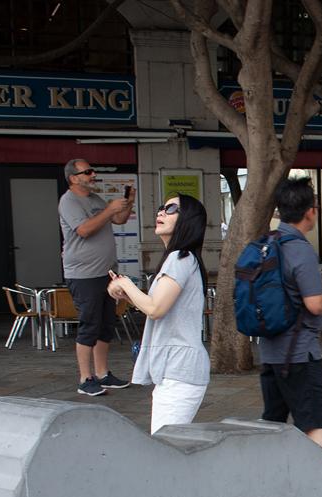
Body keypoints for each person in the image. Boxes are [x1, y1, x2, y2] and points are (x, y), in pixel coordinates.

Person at [107, 195, 209, 434]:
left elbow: (155, 309)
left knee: (165, 447)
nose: (161, 212)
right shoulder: (179, 259)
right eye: (162, 208)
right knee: (168, 446)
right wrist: (128, 295)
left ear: (188, 220)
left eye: (171, 208)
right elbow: (159, 306)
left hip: (180, 371)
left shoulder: (180, 258)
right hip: (175, 370)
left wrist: (126, 283)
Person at [258, 178, 322, 452]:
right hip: (300, 355)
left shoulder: (267, 243)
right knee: (315, 425)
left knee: (272, 424)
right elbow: (314, 304)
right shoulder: (300, 249)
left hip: (269, 353)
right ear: (310, 211)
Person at [58, 158, 134, 396]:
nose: (93, 174)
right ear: (73, 177)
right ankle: (85, 378)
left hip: (106, 273)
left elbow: (118, 220)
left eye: (92, 171)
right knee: (89, 325)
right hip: (83, 274)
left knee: (106, 325)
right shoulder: (68, 201)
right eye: (88, 172)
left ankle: (103, 373)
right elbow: (84, 230)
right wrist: (110, 208)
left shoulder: (94, 199)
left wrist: (128, 204)